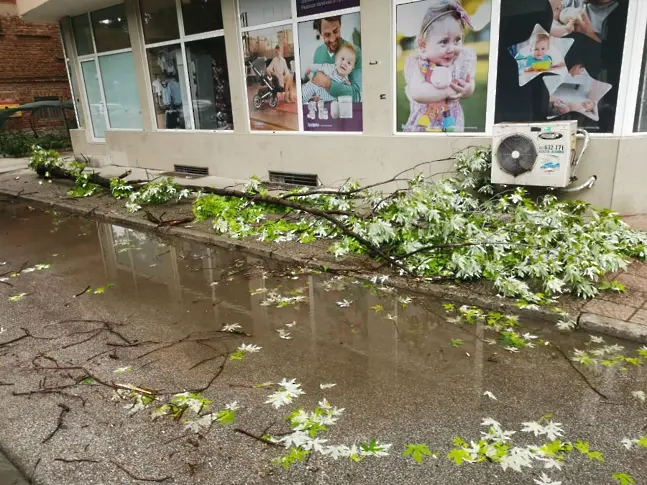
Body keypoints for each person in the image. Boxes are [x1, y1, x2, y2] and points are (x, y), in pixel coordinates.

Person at [402, 0, 476, 132]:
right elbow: (417, 93)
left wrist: (468, 89)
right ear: (423, 45)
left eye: (457, 40)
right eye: (444, 42)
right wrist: (448, 92)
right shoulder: (420, 65)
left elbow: (469, 82)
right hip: (425, 124)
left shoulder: (460, 62)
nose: (451, 48)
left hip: (452, 122)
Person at [309, 16, 362, 103]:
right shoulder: (318, 52)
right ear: (320, 33)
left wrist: (328, 84)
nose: (332, 39)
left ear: (340, 26)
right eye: (327, 34)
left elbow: (357, 95)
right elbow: (315, 86)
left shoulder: (355, 52)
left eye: (336, 31)